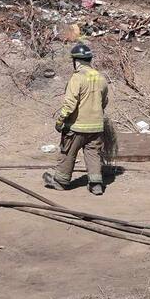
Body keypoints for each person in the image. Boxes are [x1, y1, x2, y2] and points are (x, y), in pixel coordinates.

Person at [43, 42, 110, 195]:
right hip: (97, 127)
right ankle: (96, 184)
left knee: (68, 152)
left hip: (77, 127)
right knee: (93, 153)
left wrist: (61, 120)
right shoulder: (101, 78)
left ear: (76, 61)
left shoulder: (77, 78)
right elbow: (104, 102)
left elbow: (70, 103)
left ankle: (60, 181)